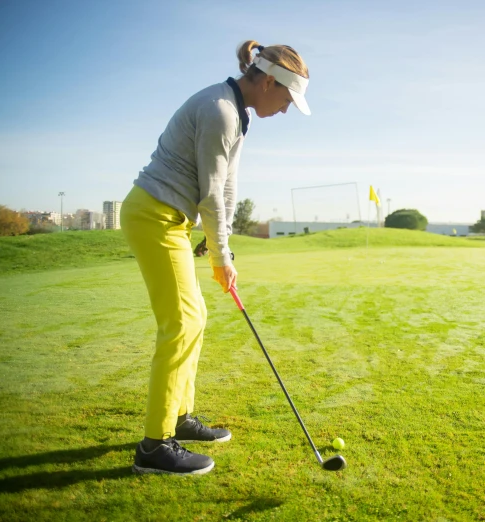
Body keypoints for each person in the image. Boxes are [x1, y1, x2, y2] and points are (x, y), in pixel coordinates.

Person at [120, 40, 311, 475]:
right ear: (267, 81)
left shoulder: (237, 114)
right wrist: (221, 256)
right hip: (154, 215)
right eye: (285, 98)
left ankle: (178, 417)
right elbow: (209, 193)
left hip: (172, 218)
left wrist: (221, 243)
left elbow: (226, 188)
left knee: (195, 317)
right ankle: (155, 445)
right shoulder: (220, 110)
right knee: (182, 324)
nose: (284, 110)